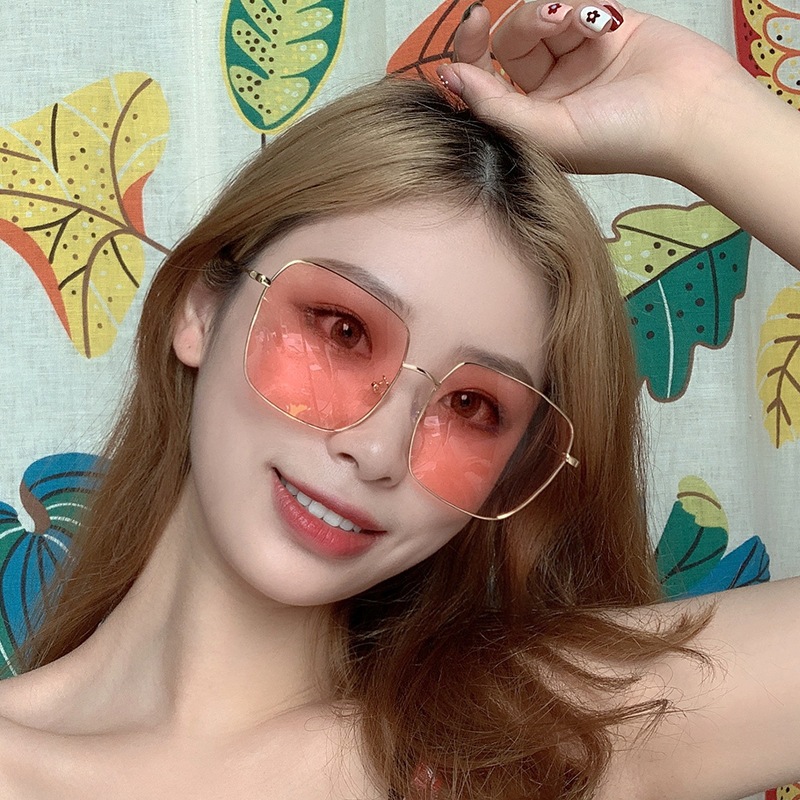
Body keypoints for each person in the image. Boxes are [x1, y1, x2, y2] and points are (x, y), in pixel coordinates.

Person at [0, 2, 797, 798]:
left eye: (472, 407)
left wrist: (701, 113)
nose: (379, 450)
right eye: (343, 330)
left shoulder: (524, 746)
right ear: (201, 310)